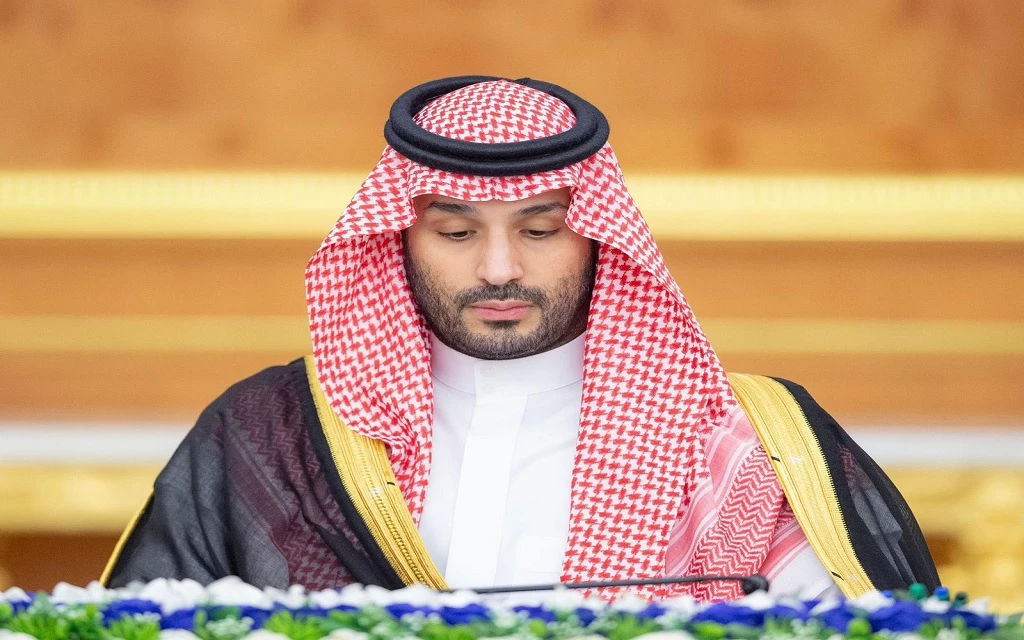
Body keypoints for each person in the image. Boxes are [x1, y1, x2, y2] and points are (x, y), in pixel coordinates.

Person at [103, 76, 939, 601]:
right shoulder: (275, 434)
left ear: (598, 236)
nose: (499, 269)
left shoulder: (742, 441)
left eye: (540, 231)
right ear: (398, 237)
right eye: (456, 233)